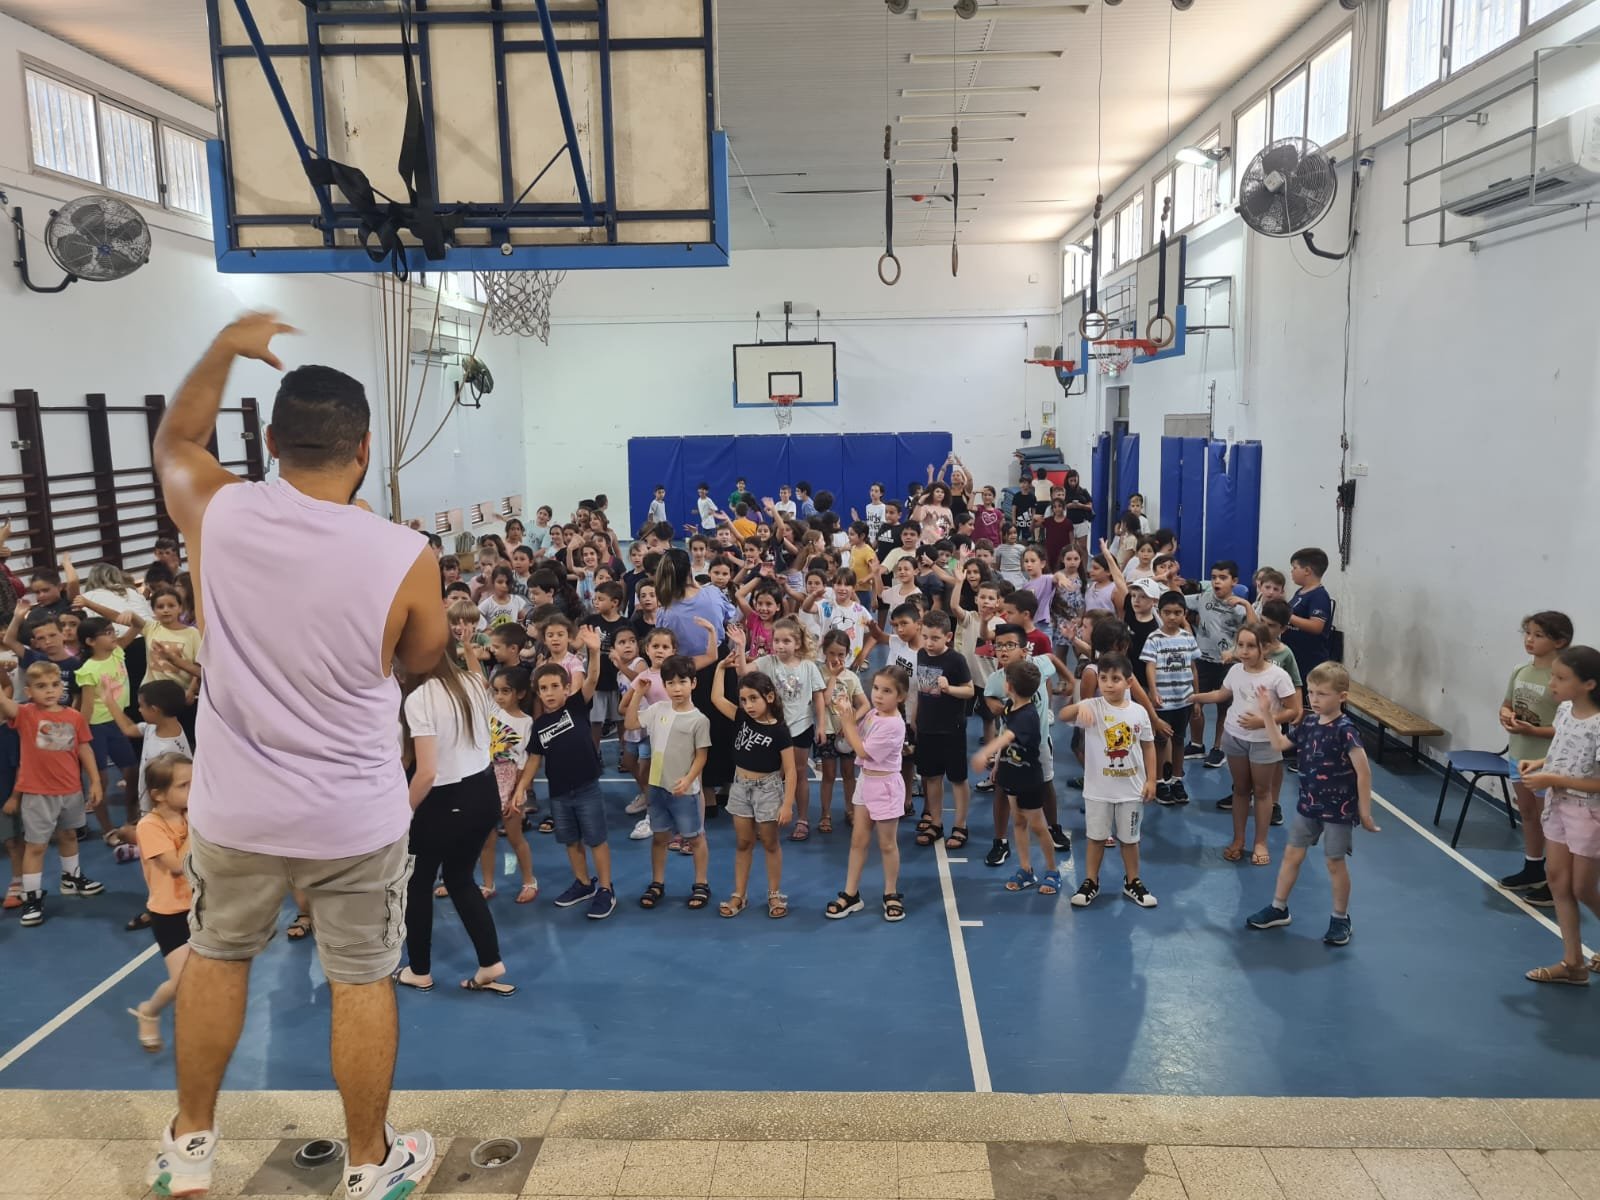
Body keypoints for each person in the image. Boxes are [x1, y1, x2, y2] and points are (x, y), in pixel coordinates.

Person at [148, 313, 445, 1199]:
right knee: (361, 977)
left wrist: (224, 347)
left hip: (235, 806)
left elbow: (177, 439)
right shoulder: (404, 553)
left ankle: (190, 1150)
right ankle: (369, 1164)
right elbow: (423, 656)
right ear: (364, 450)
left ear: (272, 443)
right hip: (352, 811)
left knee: (216, 954)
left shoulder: (220, 510)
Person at [398, 646, 516, 998]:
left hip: (444, 800)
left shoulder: (420, 698)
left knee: (418, 883)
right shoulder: (474, 682)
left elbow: (427, 772)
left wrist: (402, 813)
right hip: (484, 793)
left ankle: (419, 970)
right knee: (460, 877)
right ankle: (490, 962)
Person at [1247, 663, 1377, 946]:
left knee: (1334, 862)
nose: (1315, 699)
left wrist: (1365, 812)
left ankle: (1340, 918)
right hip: (1308, 806)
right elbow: (1279, 744)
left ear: (1342, 696)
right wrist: (1267, 713)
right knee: (1291, 856)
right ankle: (1279, 907)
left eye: (1323, 694)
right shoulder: (1307, 724)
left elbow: (1364, 772)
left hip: (1338, 811)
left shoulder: (1346, 730)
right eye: (1312, 693)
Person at [0, 661, 104, 926]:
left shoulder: (74, 717)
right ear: (29, 691)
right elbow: (4, 702)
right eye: (41, 686)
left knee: (69, 835)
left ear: (62, 687)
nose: (49, 690)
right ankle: (31, 896)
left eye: (55, 684)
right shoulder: (25, 714)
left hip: (70, 790)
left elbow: (84, 748)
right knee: (36, 846)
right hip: (38, 794)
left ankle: (71, 877)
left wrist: (95, 781)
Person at [1518, 646, 1600, 985]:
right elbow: (1561, 751)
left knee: (1583, 888)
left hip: (1588, 813)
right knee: (1558, 882)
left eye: (1561, 678)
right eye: (1553, 675)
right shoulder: (1565, 711)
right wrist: (1540, 764)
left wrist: (1552, 778)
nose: (1552, 683)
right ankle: (1573, 963)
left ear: (1589, 684)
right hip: (1558, 806)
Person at [1193, 623, 1301, 866]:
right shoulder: (1235, 670)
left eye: (1251, 646)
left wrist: (1263, 721)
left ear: (1265, 648)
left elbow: (1293, 710)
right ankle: (1238, 839)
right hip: (1234, 737)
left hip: (1264, 741)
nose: (1243, 651)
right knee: (1240, 790)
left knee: (1262, 792)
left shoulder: (1278, 676)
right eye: (1240, 645)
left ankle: (1260, 842)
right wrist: (1196, 697)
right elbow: (1222, 695)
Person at [1058, 653, 1158, 910]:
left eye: (1115, 679)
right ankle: (1091, 881)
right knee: (1096, 838)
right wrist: (1079, 707)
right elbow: (1063, 715)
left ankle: (1132, 881)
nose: (1109, 684)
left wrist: (1151, 780)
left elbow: (1148, 746)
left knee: (1130, 840)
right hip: (1098, 791)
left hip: (1132, 790)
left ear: (1129, 682)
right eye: (1103, 678)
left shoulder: (1139, 712)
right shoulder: (1092, 706)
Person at [529, 627, 617, 919]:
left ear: (566, 689)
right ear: (538, 693)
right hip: (558, 792)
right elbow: (533, 759)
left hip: (586, 787)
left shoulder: (577, 706)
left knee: (596, 839)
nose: (550, 693)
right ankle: (583, 883)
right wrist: (520, 790)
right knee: (570, 840)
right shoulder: (539, 726)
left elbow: (592, 678)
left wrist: (595, 650)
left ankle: (605, 889)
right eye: (544, 688)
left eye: (555, 686)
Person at [711, 647, 796, 918]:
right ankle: (739, 894)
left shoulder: (779, 730)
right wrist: (720, 668)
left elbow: (791, 770)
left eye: (753, 699)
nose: (748, 705)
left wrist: (787, 804)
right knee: (743, 842)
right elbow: (716, 698)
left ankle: (774, 893)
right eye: (744, 700)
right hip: (740, 787)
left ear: (769, 697)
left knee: (770, 843)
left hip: (768, 789)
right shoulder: (741, 717)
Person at [624, 654, 713, 911]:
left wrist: (689, 779)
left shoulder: (699, 720)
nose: (676, 688)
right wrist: (638, 694)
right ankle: (657, 882)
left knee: (695, 838)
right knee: (659, 837)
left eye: (682, 682)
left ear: (693, 683)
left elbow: (701, 756)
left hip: (685, 791)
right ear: (664, 685)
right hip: (657, 787)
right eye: (670, 683)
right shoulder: (657, 710)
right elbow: (630, 722)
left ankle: (701, 882)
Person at [1497, 611, 1574, 907]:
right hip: (1518, 754)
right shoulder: (1520, 671)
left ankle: (1556, 882)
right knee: (1528, 813)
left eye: (1538, 635)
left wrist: (1534, 731)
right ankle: (1532, 867)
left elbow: (1569, 728)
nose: (1529, 639)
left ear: (1560, 641)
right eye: (1527, 633)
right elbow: (1506, 704)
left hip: (1547, 761)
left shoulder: (1564, 678)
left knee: (1550, 823)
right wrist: (1506, 716)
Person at [827, 666, 910, 922]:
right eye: (875, 688)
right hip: (866, 783)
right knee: (858, 841)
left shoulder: (894, 725)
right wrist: (846, 712)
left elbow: (863, 751)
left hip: (886, 788)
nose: (878, 695)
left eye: (887, 691)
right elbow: (856, 735)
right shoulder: (874, 713)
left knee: (887, 844)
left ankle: (891, 892)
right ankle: (851, 894)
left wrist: (847, 721)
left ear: (901, 696)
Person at [974, 660, 1061, 896]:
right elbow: (1005, 735)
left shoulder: (1028, 715)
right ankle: (1026, 869)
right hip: (1010, 774)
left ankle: (1052, 871)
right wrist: (998, 764)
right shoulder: (1010, 707)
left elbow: (1007, 736)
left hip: (1028, 780)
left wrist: (984, 752)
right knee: (1019, 822)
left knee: (1038, 826)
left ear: (1009, 686)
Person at [129, 752, 194, 1053]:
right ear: (158, 794)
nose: (193, 791)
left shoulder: (188, 815)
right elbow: (178, 865)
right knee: (181, 981)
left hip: (202, 908)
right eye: (184, 786)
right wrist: (198, 827)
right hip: (170, 914)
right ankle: (149, 1011)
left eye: (195, 783)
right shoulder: (149, 826)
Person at [751, 617, 827, 840]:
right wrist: (738, 644)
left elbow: (818, 697)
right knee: (773, 775)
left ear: (797, 643)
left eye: (786, 641)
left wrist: (821, 725)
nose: (780, 646)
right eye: (777, 641)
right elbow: (744, 670)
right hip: (775, 729)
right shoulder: (768, 662)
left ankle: (802, 819)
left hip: (801, 727)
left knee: (800, 772)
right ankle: (770, 817)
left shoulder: (808, 666)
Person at [912, 609, 975, 851]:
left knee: (957, 778)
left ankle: (960, 824)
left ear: (948, 637)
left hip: (951, 729)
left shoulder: (955, 660)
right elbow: (921, 689)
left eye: (935, 638)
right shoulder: (921, 654)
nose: (929, 642)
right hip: (927, 726)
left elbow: (969, 690)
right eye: (925, 637)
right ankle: (935, 822)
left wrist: (950, 689)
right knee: (931, 777)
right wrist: (916, 716)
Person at [478, 666, 541, 905]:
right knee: (487, 839)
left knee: (515, 838)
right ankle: (487, 884)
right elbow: (477, 674)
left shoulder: (526, 722)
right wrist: (468, 649)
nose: (499, 696)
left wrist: (516, 792)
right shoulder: (492, 709)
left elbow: (524, 762)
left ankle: (529, 881)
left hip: (510, 784)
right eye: (496, 691)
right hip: (485, 782)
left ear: (521, 693)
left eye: (506, 691)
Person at [1185, 560, 1253, 768]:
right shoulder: (1203, 597)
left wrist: (1247, 605)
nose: (1217, 581)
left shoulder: (1240, 608)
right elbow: (1177, 601)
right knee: (1195, 703)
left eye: (1223, 578)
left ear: (1234, 581)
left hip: (1228, 664)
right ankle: (1196, 744)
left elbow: (1255, 630)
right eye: (1214, 577)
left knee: (1225, 707)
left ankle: (1218, 748)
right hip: (1202, 660)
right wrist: (1169, 583)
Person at [1141, 592, 1200, 806]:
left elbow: (1193, 668)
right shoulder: (1154, 638)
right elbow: (1150, 666)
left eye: (1177, 612)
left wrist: (1196, 698)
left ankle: (1177, 779)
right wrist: (1153, 691)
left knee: (1179, 740)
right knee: (1160, 741)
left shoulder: (1188, 638)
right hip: (1163, 702)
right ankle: (1159, 781)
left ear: (1185, 613)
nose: (1172, 617)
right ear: (1160, 613)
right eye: (1167, 612)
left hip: (1184, 700)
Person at [814, 629, 867, 834]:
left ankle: (850, 810)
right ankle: (825, 814)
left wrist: (850, 721)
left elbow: (865, 705)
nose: (836, 658)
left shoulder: (852, 677)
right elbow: (826, 700)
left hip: (847, 734)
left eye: (841, 654)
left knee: (848, 773)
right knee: (828, 774)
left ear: (847, 654)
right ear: (824, 652)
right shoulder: (819, 674)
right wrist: (834, 678)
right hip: (827, 731)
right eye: (832, 653)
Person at [1282, 547, 1335, 681]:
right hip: (1295, 657)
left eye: (1294, 568)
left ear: (1307, 571)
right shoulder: (1300, 592)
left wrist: (1286, 615)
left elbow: (1316, 626)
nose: (1292, 571)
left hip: (1309, 662)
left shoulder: (1319, 596)